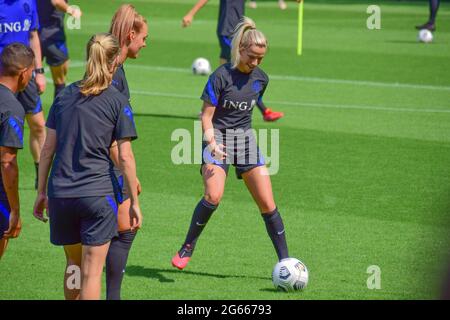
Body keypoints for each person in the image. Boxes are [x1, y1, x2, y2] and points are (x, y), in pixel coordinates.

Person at [172, 17, 290, 270]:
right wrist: (211, 143)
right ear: (241, 49)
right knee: (213, 196)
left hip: (245, 141)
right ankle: (188, 245)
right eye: (252, 57)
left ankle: (285, 261)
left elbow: (248, 108)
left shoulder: (262, 79)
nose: (256, 62)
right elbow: (205, 115)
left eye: (261, 58)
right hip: (217, 139)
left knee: (268, 204)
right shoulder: (220, 76)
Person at [33, 33, 142, 300]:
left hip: (61, 195)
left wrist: (41, 192)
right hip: (96, 195)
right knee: (92, 273)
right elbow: (124, 157)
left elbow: (47, 148)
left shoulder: (65, 95)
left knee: (74, 267)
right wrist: (134, 200)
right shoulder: (117, 101)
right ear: (115, 59)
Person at [182, 0, 284, 122]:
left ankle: (210, 110)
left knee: (227, 73)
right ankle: (264, 111)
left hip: (238, 33)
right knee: (243, 72)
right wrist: (191, 13)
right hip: (227, 32)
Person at [106, 4, 148, 300]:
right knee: (128, 225)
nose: (145, 43)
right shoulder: (114, 75)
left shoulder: (109, 67)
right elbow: (113, 142)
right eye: (143, 37)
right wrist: (128, 176)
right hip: (104, 165)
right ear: (130, 35)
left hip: (79, 167)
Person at [0, 0, 47, 190]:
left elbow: (33, 36)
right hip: (4, 78)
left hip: (26, 76)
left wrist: (40, 71)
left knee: (38, 126)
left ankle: (40, 175)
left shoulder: (29, 2)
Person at [0, 43, 35, 260]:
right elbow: (7, 162)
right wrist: (15, 210)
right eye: (32, 71)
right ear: (23, 73)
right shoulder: (12, 108)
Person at [37, 0, 82, 99]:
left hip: (34, 33)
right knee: (60, 81)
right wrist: (71, 10)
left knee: (27, 82)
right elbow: (56, 1)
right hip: (52, 36)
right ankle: (57, 113)